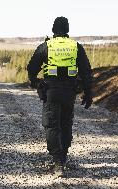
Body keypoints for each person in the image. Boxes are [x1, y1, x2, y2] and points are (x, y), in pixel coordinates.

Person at [27, 16, 92, 177]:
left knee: (52, 125)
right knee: (66, 123)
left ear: (53, 30)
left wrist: (36, 83)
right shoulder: (76, 46)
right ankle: (63, 157)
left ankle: (57, 162)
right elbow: (86, 72)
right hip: (69, 91)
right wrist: (88, 93)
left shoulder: (46, 46)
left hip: (51, 91)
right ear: (67, 29)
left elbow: (31, 68)